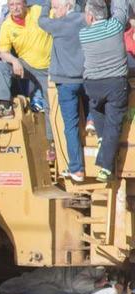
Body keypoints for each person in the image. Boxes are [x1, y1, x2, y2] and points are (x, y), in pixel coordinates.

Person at [0, 0, 56, 161]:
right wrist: (14, 60)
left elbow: (59, 16)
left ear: (25, 4)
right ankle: (5, 107)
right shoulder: (7, 25)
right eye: (11, 5)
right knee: (2, 66)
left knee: (51, 106)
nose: (15, 8)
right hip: (25, 65)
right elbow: (3, 52)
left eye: (18, 4)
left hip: (49, 67)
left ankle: (52, 144)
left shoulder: (38, 11)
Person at [38, 0, 87, 181]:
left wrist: (45, 5)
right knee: (95, 117)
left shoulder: (59, 25)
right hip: (85, 79)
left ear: (67, 7)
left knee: (71, 127)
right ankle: (90, 122)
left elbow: (41, 21)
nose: (54, 11)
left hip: (66, 83)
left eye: (56, 7)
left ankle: (77, 168)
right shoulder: (85, 19)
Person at [80, 0, 128, 182]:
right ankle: (105, 168)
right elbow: (122, 9)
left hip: (93, 85)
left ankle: (102, 139)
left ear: (90, 16)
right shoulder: (115, 27)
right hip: (116, 84)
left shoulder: (84, 34)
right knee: (114, 123)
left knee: (96, 108)